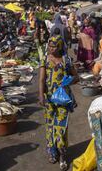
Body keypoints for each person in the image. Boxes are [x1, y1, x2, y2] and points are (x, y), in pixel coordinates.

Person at [38, 36, 79, 171]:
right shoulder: (45, 59)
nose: (51, 48)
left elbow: (76, 77)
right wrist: (41, 95)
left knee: (61, 127)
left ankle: (62, 155)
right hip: (49, 99)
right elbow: (42, 79)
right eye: (50, 46)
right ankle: (52, 152)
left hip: (63, 99)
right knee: (50, 125)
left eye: (54, 46)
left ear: (60, 46)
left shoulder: (66, 60)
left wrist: (68, 81)